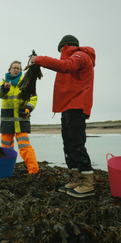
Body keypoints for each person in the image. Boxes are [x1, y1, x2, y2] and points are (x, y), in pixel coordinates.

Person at [30, 35, 96, 198]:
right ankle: (75, 179)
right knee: (68, 144)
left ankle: (87, 184)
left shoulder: (81, 55)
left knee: (76, 143)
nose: (61, 54)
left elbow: (67, 66)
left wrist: (39, 59)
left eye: (62, 50)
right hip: (68, 106)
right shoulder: (75, 56)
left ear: (66, 46)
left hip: (77, 105)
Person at [0, 60, 39, 174]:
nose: (16, 70)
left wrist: (28, 108)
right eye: (14, 68)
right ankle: (7, 171)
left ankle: (33, 171)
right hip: (7, 121)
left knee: (25, 147)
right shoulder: (3, 82)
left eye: (18, 68)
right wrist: (5, 88)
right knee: (6, 149)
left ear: (21, 70)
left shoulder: (26, 82)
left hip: (21, 120)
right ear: (9, 70)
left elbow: (33, 98)